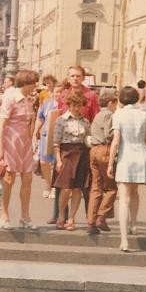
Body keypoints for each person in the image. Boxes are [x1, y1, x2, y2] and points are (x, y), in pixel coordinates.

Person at [0, 70, 39, 230]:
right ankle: (4, 215)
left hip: (25, 142)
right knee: (9, 179)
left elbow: (30, 121)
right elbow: (2, 123)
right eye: (33, 84)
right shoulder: (11, 96)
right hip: (11, 141)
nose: (35, 87)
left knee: (28, 179)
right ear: (25, 83)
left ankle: (25, 216)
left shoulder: (30, 98)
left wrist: (34, 141)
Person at [107, 87, 146, 251]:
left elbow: (116, 141)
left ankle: (124, 239)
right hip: (141, 155)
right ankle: (134, 224)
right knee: (135, 192)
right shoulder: (144, 115)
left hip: (126, 156)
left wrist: (111, 163)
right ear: (136, 98)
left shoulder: (118, 115)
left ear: (121, 99)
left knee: (124, 198)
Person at [52, 91, 91, 231]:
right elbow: (56, 142)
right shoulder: (61, 120)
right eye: (73, 105)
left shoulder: (85, 121)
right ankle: (61, 215)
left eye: (79, 105)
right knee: (66, 188)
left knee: (77, 189)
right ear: (68, 105)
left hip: (81, 154)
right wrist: (58, 159)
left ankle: (71, 218)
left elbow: (88, 138)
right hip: (66, 153)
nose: (76, 108)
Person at [86, 90, 118, 235]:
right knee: (111, 187)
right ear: (111, 103)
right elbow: (108, 134)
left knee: (96, 186)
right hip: (104, 150)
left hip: (93, 149)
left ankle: (91, 221)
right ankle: (101, 215)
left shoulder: (98, 114)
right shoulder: (109, 115)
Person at [33, 82, 62, 198]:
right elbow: (40, 118)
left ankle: (55, 186)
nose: (58, 94)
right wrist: (35, 132)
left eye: (60, 92)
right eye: (56, 92)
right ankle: (47, 184)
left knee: (56, 162)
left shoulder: (64, 105)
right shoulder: (46, 103)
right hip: (46, 135)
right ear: (53, 92)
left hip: (59, 137)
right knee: (44, 162)